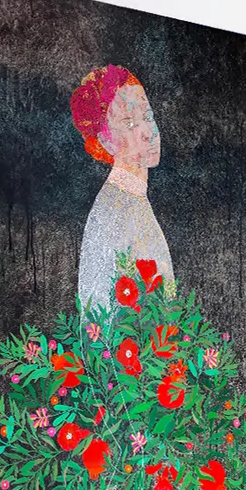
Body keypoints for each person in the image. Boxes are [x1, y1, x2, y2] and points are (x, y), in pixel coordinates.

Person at [71, 65, 172, 312]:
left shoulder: (136, 200)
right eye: (130, 123)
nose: (147, 132)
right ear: (105, 140)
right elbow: (97, 317)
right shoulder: (112, 211)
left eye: (148, 116)